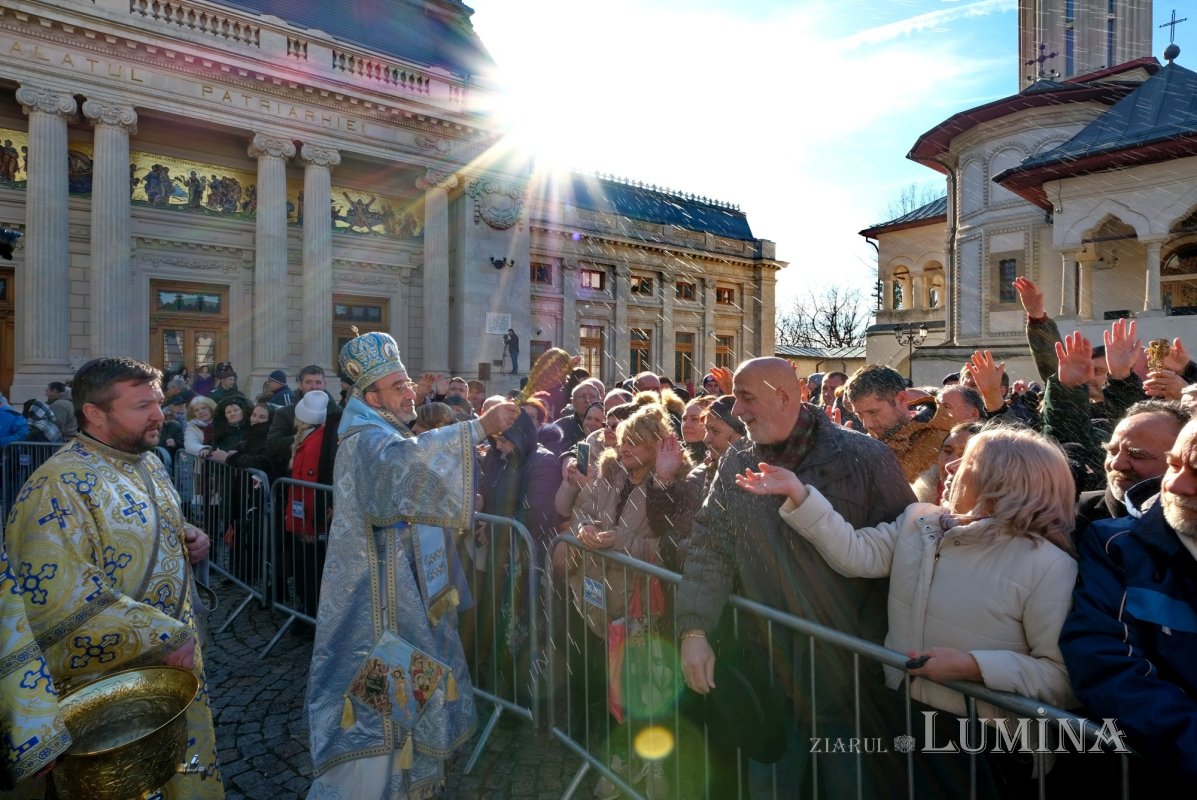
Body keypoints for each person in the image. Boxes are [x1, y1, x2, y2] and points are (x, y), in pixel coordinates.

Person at [739, 424, 1078, 796]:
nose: (949, 467)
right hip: (899, 713)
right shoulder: (921, 521)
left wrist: (973, 666)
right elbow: (857, 554)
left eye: (968, 461)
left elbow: (1059, 678)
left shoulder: (1048, 565)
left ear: (1003, 482)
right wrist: (800, 494)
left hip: (979, 741)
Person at [676, 357, 915, 799]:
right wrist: (693, 628)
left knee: (849, 787)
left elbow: (907, 555)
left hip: (848, 674)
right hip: (765, 665)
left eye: (747, 398)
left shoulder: (866, 458)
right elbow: (710, 544)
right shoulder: (736, 462)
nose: (738, 411)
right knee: (770, 785)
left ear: (785, 396)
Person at [306, 332, 520, 799]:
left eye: (408, 383)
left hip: (399, 596)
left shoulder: (382, 432)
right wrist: (477, 429)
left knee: (401, 698)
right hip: (376, 604)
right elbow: (405, 467)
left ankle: (403, 786)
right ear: (370, 396)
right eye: (398, 386)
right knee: (377, 714)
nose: (411, 393)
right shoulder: (366, 440)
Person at [4, 357, 223, 798]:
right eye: (143, 405)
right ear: (95, 413)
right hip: (108, 694)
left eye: (159, 402)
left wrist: (189, 536)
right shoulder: (58, 485)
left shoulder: (148, 463)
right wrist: (160, 635)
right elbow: (55, 598)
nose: (161, 415)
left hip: (170, 675)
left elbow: (143, 530)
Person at [1060, 415, 1197, 791]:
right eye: (1173, 464)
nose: (1177, 484)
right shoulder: (1114, 545)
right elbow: (1108, 665)